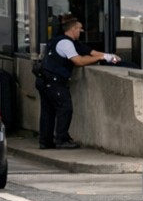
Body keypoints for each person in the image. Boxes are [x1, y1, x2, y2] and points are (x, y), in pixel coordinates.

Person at [37, 13, 120, 149]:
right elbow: (79, 61)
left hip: (46, 80)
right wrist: (99, 59)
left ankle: (45, 141)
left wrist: (108, 56)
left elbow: (91, 52)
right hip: (54, 81)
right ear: (72, 29)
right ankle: (62, 139)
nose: (81, 31)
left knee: (48, 111)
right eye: (79, 29)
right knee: (65, 108)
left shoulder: (69, 42)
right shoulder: (65, 43)